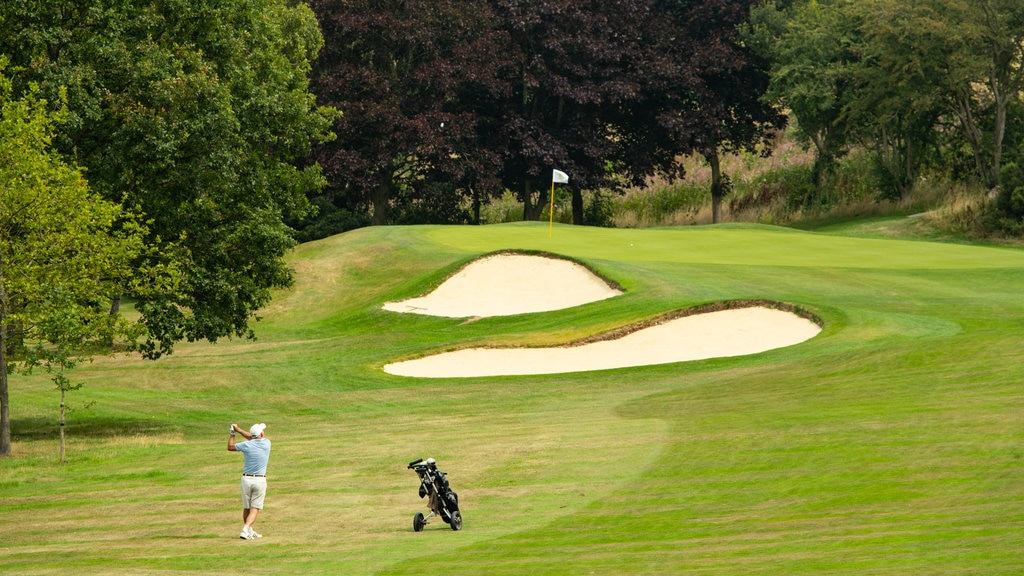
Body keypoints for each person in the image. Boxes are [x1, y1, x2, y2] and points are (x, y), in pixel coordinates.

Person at [228, 422, 271, 539]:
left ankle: (249, 530)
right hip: (259, 480)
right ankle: (245, 529)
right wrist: (240, 430)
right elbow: (252, 437)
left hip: (246, 479)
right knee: (255, 508)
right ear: (261, 434)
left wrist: (233, 433)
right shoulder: (267, 443)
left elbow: (230, 447)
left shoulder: (246, 445)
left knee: (247, 507)